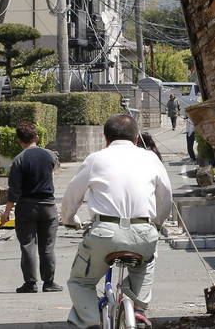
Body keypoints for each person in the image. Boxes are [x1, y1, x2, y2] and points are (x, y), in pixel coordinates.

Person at [61, 114, 173, 329]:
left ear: (106, 138)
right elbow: (165, 198)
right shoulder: (151, 158)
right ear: (137, 138)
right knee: (145, 264)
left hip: (104, 233)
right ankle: (138, 311)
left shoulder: (96, 159)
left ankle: (90, 321)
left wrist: (69, 219)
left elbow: (72, 195)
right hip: (143, 232)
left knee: (81, 282)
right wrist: (156, 225)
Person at [0, 121, 62, 293]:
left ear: (19, 140)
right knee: (47, 246)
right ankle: (49, 283)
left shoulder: (19, 159)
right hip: (48, 206)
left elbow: (14, 191)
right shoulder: (49, 155)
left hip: (26, 207)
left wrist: (6, 213)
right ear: (37, 137)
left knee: (28, 245)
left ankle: (30, 283)